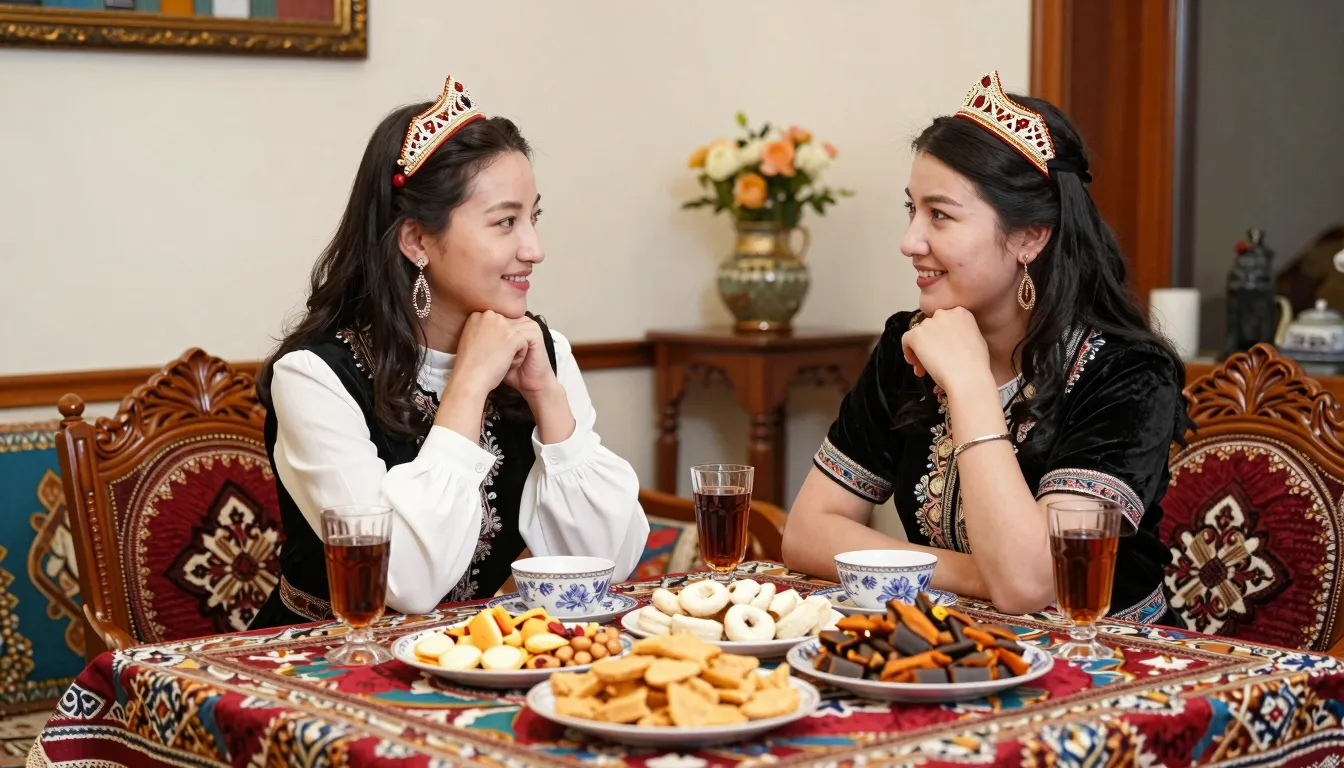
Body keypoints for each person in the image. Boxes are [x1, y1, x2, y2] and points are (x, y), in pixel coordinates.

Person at [781, 71, 1189, 624]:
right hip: (949, 645)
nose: (910, 241)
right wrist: (978, 576)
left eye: (941, 215)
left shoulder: (1127, 373)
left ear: (1030, 237)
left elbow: (1027, 582)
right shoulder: (910, 344)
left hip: (1107, 667)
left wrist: (971, 384)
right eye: (912, 210)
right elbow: (806, 532)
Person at [250, 76, 648, 628]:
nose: (534, 249)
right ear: (416, 240)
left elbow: (611, 564)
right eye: (506, 222)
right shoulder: (315, 377)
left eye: (534, 218)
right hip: (321, 663)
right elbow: (402, 580)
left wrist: (547, 398)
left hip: (479, 659)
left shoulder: (540, 351)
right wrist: (468, 386)